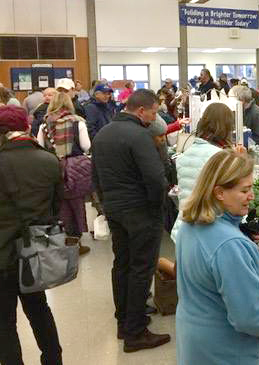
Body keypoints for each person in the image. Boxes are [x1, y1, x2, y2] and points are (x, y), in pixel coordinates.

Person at [176, 150, 259, 364]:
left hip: (196, 345)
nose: (252, 196)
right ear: (219, 192)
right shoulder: (230, 246)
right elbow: (252, 318)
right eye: (244, 190)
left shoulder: (190, 225)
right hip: (227, 352)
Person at [92, 89, 171, 352]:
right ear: (141, 111)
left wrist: (105, 204)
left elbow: (96, 176)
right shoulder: (140, 136)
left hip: (114, 209)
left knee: (122, 264)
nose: (155, 116)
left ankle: (124, 321)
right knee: (141, 268)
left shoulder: (103, 134)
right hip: (140, 211)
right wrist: (156, 207)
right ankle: (136, 332)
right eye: (154, 111)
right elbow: (155, 179)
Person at [0, 105, 64, 365]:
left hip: (2, 255)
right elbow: (55, 207)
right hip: (35, 252)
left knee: (4, 322)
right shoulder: (49, 160)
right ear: (26, 127)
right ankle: (53, 360)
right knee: (40, 311)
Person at [172, 103, 241, 241]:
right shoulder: (220, 156)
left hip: (183, 228)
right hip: (208, 229)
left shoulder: (185, 154)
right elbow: (228, 197)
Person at [36, 90, 92, 255]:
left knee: (58, 203)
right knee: (76, 203)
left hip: (52, 167)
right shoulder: (78, 122)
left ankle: (60, 238)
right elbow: (86, 146)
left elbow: (40, 146)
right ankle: (76, 240)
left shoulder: (44, 124)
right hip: (75, 168)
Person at [238, 86, 259, 164]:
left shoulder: (257, 113)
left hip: (256, 155)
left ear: (242, 100)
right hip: (247, 152)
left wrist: (245, 143)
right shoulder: (243, 110)